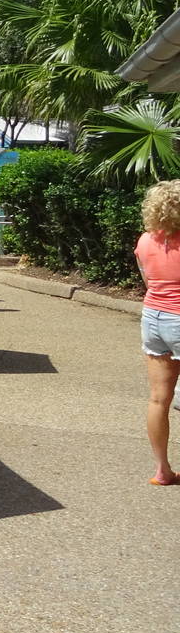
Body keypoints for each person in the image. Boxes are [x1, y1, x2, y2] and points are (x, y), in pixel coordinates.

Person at [136, 181, 180, 486]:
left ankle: (162, 470)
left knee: (158, 400)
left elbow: (147, 281)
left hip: (153, 317)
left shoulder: (145, 240)